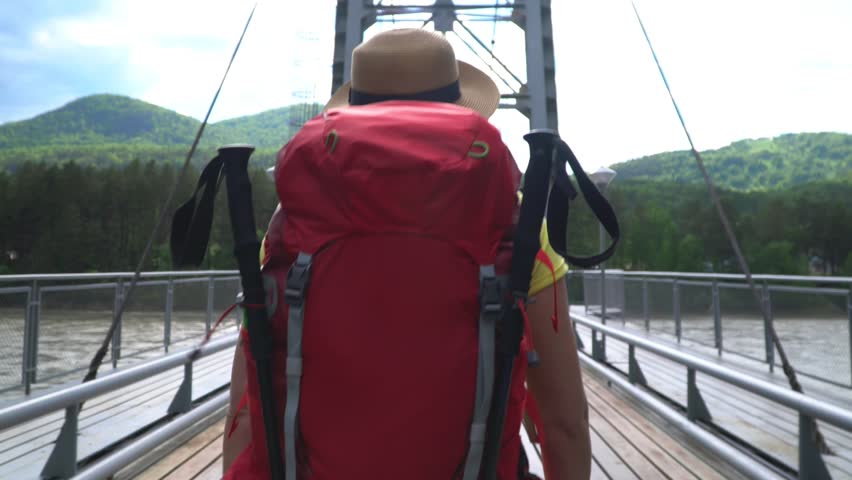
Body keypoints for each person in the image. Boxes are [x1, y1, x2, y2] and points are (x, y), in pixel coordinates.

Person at [223, 28, 591, 479]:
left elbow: (246, 412)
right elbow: (564, 425)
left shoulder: (294, 227)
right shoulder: (516, 227)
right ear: (457, 108)